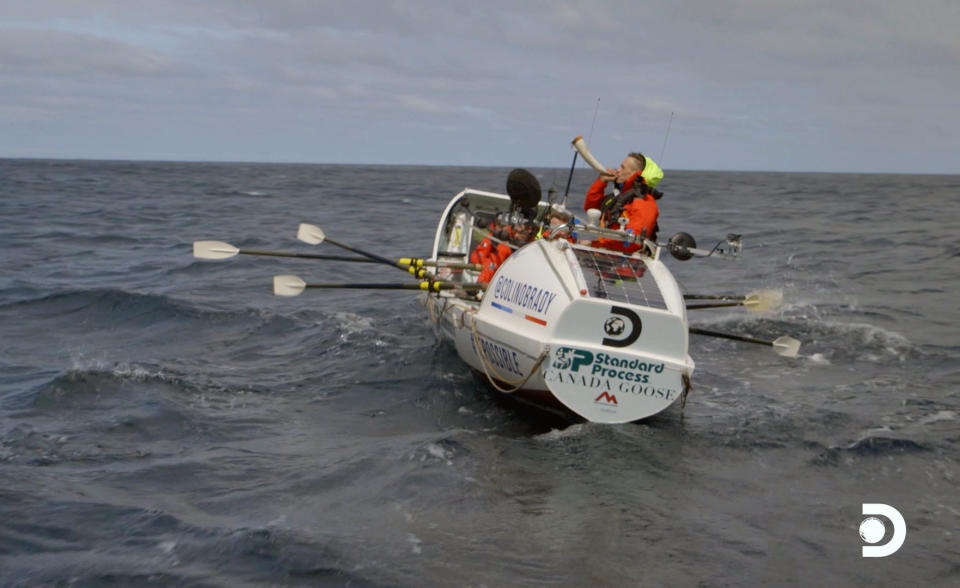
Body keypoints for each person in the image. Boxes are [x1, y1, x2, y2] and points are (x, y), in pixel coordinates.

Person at [584, 151, 664, 253]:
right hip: (606, 253)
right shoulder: (618, 197)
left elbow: (633, 243)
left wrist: (594, 245)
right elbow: (591, 208)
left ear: (635, 174)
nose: (618, 170)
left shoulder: (644, 202)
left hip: (626, 264)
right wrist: (602, 181)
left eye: (623, 168)